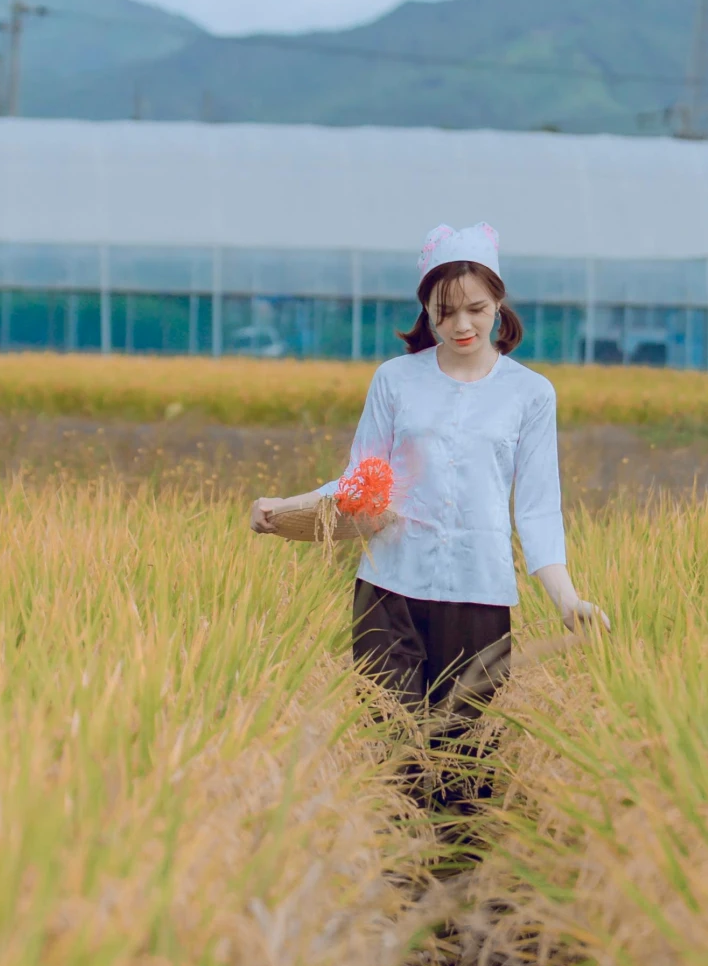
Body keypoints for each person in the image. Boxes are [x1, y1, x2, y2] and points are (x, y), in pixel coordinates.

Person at [249, 221, 605, 813]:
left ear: (499, 304)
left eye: (476, 308)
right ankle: (395, 891)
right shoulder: (395, 379)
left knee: (468, 761)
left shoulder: (531, 395)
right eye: (445, 313)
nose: (462, 325)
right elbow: (360, 482)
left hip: (480, 599)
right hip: (388, 592)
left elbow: (539, 509)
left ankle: (461, 896)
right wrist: (282, 511)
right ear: (426, 312)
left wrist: (567, 599)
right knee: (395, 753)